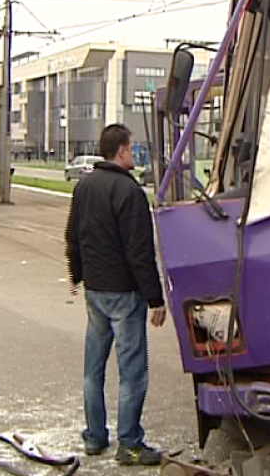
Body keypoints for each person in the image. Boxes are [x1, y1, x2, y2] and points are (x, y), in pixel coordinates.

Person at [65, 124, 166, 466]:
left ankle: (94, 437)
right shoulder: (130, 192)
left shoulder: (85, 186)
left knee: (93, 369)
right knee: (132, 372)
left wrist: (76, 275)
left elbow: (73, 235)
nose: (133, 152)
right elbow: (140, 253)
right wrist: (155, 298)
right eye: (132, 147)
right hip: (125, 294)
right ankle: (130, 445)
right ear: (121, 151)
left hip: (95, 291)